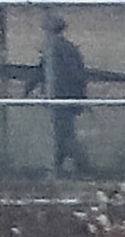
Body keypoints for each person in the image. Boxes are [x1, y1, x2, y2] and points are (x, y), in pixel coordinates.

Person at [25, 11, 92, 176]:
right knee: (62, 133)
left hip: (60, 96)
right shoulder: (69, 47)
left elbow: (42, 71)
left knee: (64, 135)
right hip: (69, 96)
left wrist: (28, 89)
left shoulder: (53, 48)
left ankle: (84, 166)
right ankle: (57, 167)